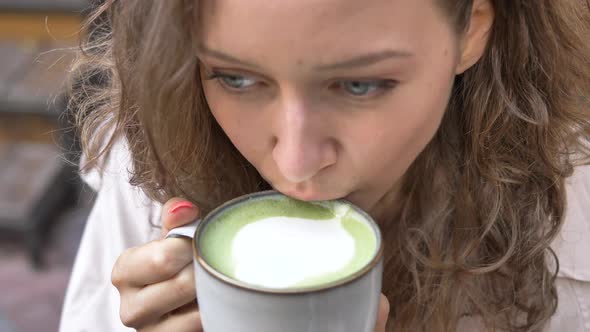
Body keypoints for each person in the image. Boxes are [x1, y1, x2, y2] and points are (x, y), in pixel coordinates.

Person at [59, 0, 590, 331]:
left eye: (360, 85)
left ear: (471, 31)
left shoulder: (576, 208)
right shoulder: (155, 171)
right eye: (235, 78)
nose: (296, 162)